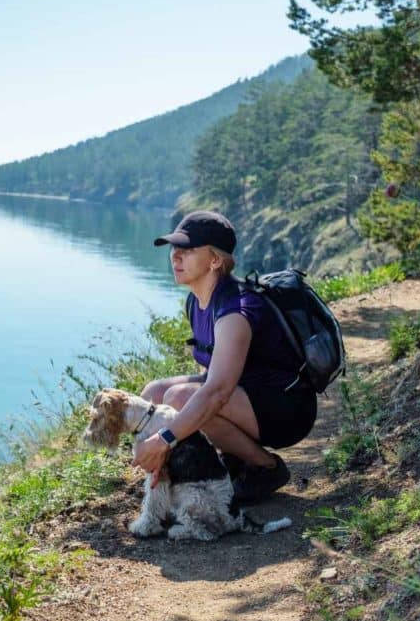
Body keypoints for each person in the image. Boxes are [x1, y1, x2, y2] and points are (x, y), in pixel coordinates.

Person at [131, 211, 317, 503]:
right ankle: (173, 471)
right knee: (154, 393)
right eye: (174, 249)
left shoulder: (235, 311)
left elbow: (216, 392)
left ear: (215, 260)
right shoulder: (196, 301)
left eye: (187, 250)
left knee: (181, 398)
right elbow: (208, 371)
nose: (175, 257)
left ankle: (264, 468)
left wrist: (162, 439)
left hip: (287, 408)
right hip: (246, 397)